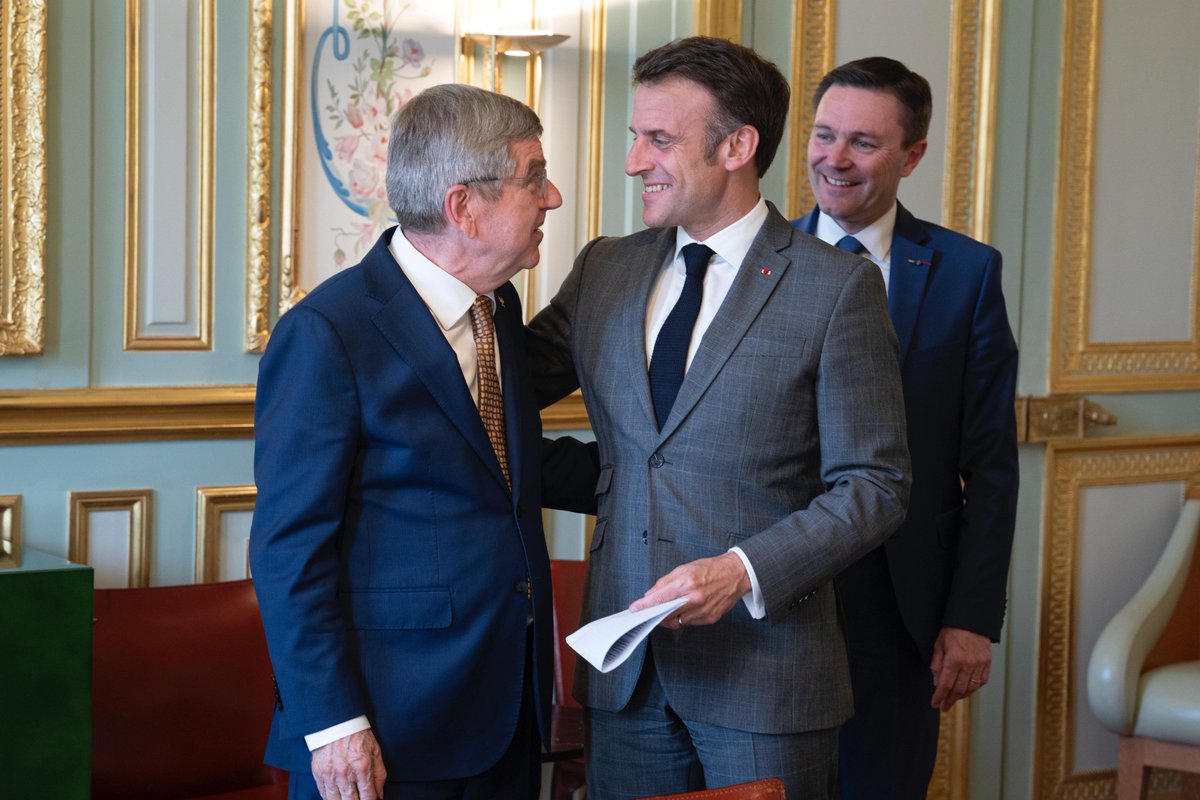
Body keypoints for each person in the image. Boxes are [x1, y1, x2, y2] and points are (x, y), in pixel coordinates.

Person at [527, 37, 911, 799]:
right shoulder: (607, 267)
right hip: (625, 676)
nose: (635, 161)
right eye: (636, 136)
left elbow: (876, 485)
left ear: (738, 146)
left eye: (659, 140)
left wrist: (740, 573)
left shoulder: (836, 289)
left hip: (767, 679)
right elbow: (503, 385)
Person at [249, 83, 596, 800]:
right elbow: (288, 551)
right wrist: (334, 723)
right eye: (534, 178)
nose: (553, 197)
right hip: (383, 730)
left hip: (507, 710)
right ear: (463, 207)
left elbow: (506, 464)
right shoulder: (327, 334)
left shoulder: (496, 306)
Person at [791, 56, 1019, 799]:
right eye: (824, 135)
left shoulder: (966, 272)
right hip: (772, 599)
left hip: (903, 611)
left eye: (863, 142)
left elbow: (990, 465)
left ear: (912, 155)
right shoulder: (760, 261)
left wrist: (972, 618)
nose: (835, 158)